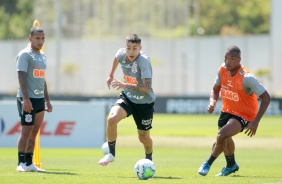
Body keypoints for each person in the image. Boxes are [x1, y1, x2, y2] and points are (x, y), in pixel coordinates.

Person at [198, 45, 270, 176]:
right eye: (226, 58)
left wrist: (256, 121)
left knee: (222, 135)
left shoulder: (247, 78)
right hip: (227, 110)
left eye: (232, 58)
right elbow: (215, 89)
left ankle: (207, 163)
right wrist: (212, 102)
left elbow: (266, 98)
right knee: (224, 138)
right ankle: (231, 165)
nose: (227, 61)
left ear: (239, 60)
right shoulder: (222, 70)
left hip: (245, 113)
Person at [98, 34, 156, 166]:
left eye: (135, 48)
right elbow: (116, 58)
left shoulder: (144, 61)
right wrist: (110, 74)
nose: (131, 51)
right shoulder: (121, 54)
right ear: (125, 47)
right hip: (128, 98)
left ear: (140, 48)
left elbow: (147, 88)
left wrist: (124, 85)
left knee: (144, 138)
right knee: (112, 119)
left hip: (144, 103)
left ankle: (149, 160)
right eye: (128, 48)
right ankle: (111, 154)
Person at [16, 26, 53, 172]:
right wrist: (26, 99)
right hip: (27, 99)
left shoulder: (42, 56)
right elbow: (21, 76)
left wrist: (47, 100)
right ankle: (20, 163)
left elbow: (42, 79)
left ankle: (29, 163)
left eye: (43, 38)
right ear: (30, 38)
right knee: (26, 130)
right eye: (37, 38)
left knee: (35, 131)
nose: (40, 41)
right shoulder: (25, 55)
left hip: (39, 100)